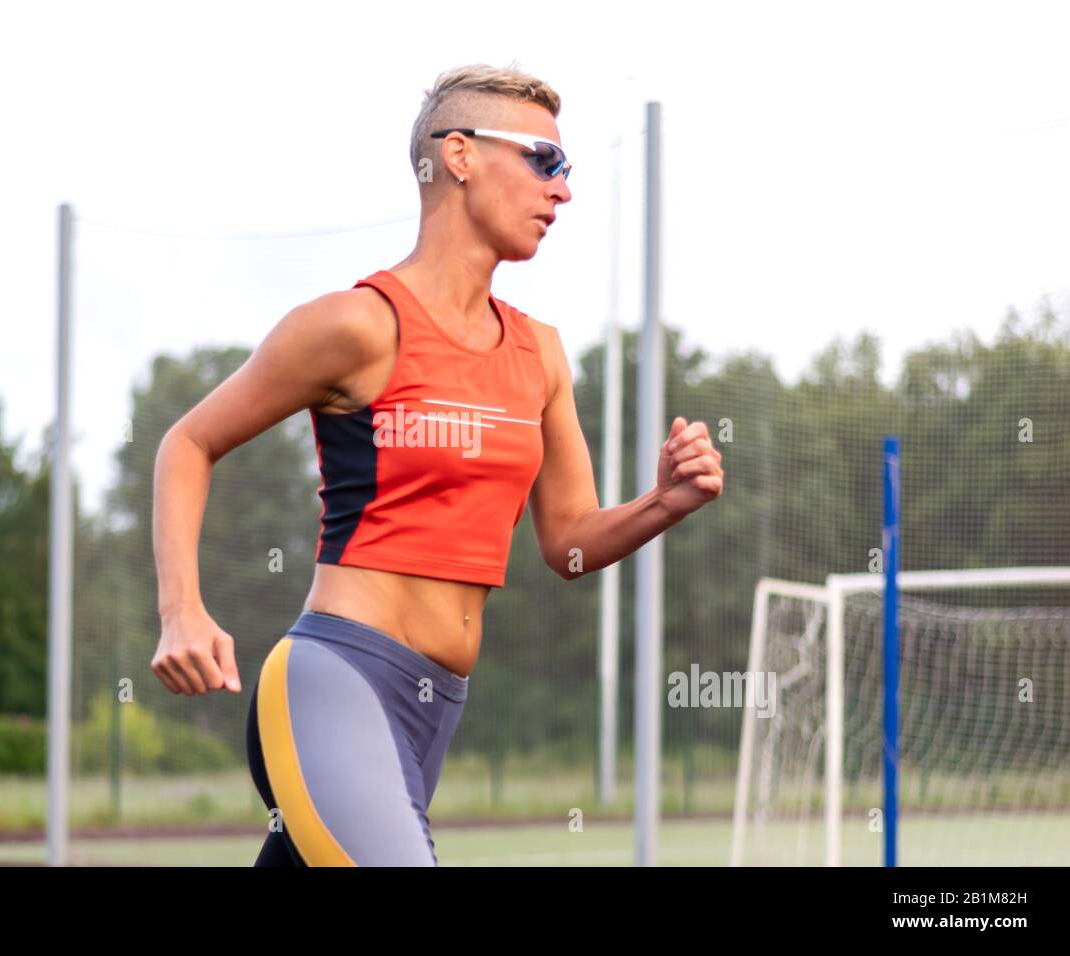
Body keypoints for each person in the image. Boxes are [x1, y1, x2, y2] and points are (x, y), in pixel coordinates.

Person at [149, 62, 724, 866]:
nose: (562, 190)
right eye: (544, 160)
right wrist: (182, 610)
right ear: (457, 156)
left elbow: (566, 544)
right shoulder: (359, 324)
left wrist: (665, 501)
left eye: (568, 169)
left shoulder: (542, 355)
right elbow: (188, 442)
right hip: (333, 682)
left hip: (433, 712)